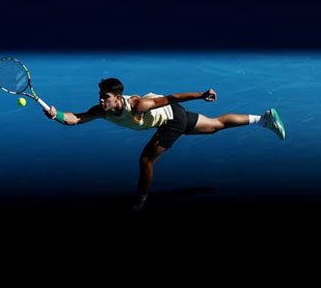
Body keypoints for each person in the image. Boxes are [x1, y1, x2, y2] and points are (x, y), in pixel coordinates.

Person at [43, 78, 286, 212]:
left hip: (171, 119)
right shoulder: (101, 111)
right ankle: (263, 119)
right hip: (169, 116)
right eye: (100, 96)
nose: (101, 100)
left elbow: (171, 98)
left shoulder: (138, 106)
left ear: (117, 98)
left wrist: (201, 95)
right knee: (215, 126)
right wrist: (56, 115)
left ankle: (140, 200)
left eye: (105, 97)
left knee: (145, 160)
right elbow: (76, 118)